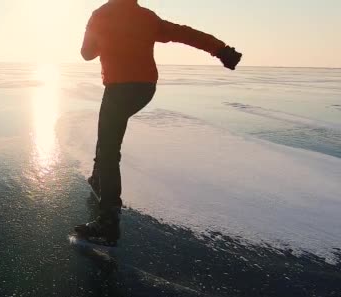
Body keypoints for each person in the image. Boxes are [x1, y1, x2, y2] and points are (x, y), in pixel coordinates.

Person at [74, 0, 242, 246]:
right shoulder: (146, 17)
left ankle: (108, 222)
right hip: (144, 89)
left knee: (110, 147)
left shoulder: (101, 14)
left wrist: (97, 30)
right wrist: (221, 50)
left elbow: (87, 54)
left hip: (119, 88)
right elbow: (185, 33)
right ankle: (99, 177)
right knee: (108, 133)